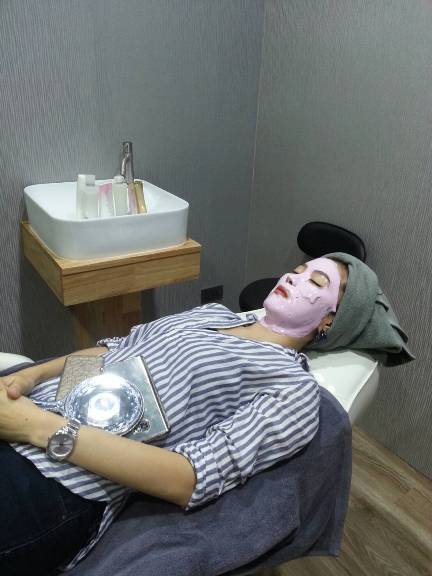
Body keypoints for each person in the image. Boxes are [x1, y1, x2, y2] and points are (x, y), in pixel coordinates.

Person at [0, 254, 412, 576]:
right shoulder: (210, 314)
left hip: (55, 481)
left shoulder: (291, 388)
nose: (292, 277)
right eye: (298, 269)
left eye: (316, 282)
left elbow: (188, 479)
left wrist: (41, 429)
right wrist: (32, 376)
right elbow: (114, 350)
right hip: (22, 409)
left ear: (329, 321)